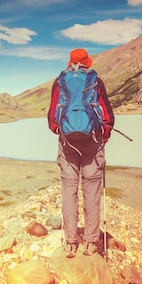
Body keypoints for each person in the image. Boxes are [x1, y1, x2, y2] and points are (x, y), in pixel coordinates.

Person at [47, 48, 115, 258]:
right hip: (92, 141)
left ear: (70, 62)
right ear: (87, 62)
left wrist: (62, 131)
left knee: (69, 190)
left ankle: (69, 242)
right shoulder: (95, 80)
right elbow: (107, 115)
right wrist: (103, 135)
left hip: (68, 143)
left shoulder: (60, 81)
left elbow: (52, 118)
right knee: (92, 190)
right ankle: (91, 242)